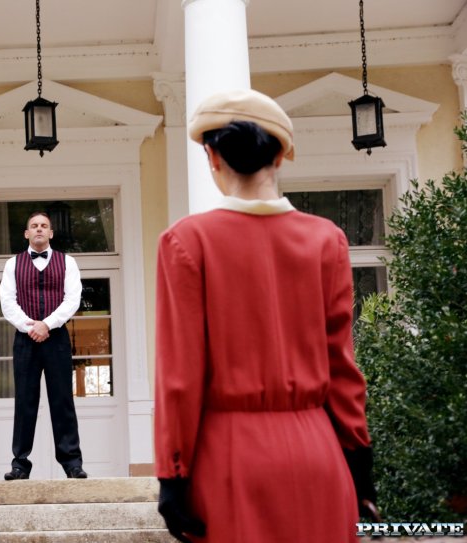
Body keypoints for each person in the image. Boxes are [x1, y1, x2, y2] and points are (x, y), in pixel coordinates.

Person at [153, 89, 378, 543]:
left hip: (230, 457)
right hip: (319, 451)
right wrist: (360, 467)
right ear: (281, 157)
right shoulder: (325, 241)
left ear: (212, 157)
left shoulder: (186, 242)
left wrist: (172, 475)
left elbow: (180, 375)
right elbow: (342, 367)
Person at [0, 211, 87, 480]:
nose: (39, 229)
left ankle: (72, 463)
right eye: (34, 226)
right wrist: (31, 326)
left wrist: (47, 324)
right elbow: (7, 302)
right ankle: (20, 464)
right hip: (25, 340)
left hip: (57, 338)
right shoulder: (12, 264)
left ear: (51, 233)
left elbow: (72, 299)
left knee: (62, 400)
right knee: (25, 401)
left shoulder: (67, 262)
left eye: (44, 226)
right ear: (27, 234)